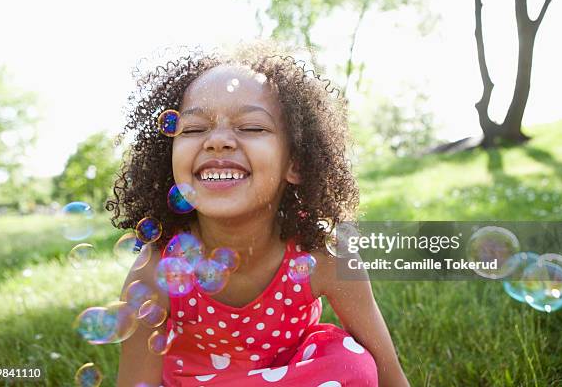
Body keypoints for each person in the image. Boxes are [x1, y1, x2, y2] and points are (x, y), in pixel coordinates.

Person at [110, 41, 409, 386]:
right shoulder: (155, 270)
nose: (217, 141)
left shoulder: (325, 254)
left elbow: (389, 374)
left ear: (295, 163)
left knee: (351, 364)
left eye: (251, 127)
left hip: (293, 378)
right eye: (193, 129)